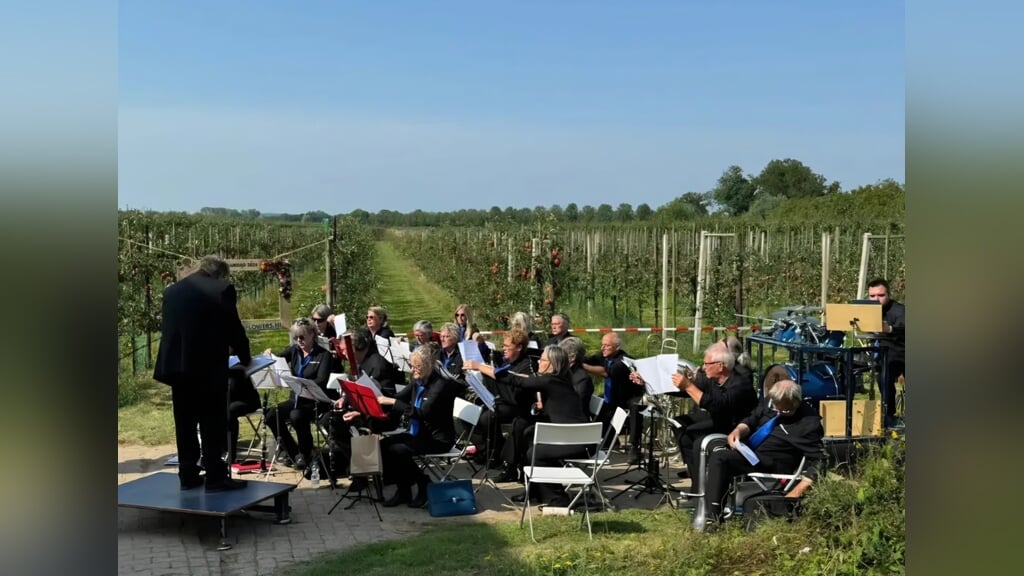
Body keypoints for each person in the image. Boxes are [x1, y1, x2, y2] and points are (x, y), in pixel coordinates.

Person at [153, 255, 251, 491]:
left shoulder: (172, 291)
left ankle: (187, 474)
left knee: (185, 422)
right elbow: (233, 326)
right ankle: (215, 476)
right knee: (211, 421)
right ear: (220, 274)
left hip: (177, 367)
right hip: (207, 367)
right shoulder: (222, 289)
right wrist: (245, 357)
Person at [704, 379, 825, 526]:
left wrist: (799, 490)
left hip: (776, 462)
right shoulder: (771, 402)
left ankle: (713, 520)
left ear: (796, 403)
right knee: (712, 449)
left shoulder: (808, 423)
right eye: (776, 408)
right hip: (752, 453)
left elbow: (820, 459)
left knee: (720, 458)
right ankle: (708, 507)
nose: (779, 412)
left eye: (785, 410)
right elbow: (752, 419)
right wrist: (738, 431)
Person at [657, 340, 757, 494]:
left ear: (720, 366)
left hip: (736, 428)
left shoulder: (740, 383)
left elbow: (716, 404)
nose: (703, 367)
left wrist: (688, 386)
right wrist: (652, 385)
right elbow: (686, 391)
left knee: (697, 441)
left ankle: (702, 488)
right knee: (683, 430)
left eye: (706, 364)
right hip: (720, 420)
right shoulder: (713, 379)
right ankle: (697, 478)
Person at [376, 345, 462, 508]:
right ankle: (404, 490)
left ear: (429, 365)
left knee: (398, 449)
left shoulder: (440, 385)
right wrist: (376, 398)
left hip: (437, 439)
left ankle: (423, 483)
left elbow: (422, 413)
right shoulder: (418, 379)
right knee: (383, 444)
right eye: (412, 366)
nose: (413, 370)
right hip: (419, 434)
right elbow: (399, 397)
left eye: (417, 367)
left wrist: (394, 403)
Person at [496, 345, 589, 494]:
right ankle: (534, 490)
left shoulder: (550, 381)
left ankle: (557, 498)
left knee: (534, 453)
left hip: (578, 442)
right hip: (574, 436)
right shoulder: (559, 380)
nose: (539, 362)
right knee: (529, 435)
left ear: (552, 364)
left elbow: (517, 381)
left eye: (543, 359)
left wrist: (482, 368)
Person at [261, 318, 336, 471]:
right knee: (270, 414)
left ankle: (306, 452)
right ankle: (293, 452)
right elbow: (279, 358)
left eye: (302, 337)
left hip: (314, 401)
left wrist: (301, 382)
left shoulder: (324, 355)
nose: (298, 340)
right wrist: (269, 355)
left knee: (296, 415)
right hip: (295, 399)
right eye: (296, 337)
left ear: (312, 335)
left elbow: (321, 381)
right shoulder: (295, 350)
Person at [463, 327, 537, 467]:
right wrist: (480, 343)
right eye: (503, 345)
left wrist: (478, 366)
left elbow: (502, 375)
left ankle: (495, 455)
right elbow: (491, 355)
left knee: (488, 417)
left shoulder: (526, 365)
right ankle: (488, 449)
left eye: (507, 346)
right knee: (473, 412)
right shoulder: (507, 360)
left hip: (518, 407)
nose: (504, 349)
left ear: (519, 347)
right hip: (502, 402)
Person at [583, 332, 643, 463]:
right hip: (612, 396)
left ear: (616, 347)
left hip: (628, 396)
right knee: (595, 404)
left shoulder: (623, 361)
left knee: (635, 408)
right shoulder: (604, 355)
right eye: (602, 345)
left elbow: (607, 373)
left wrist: (584, 367)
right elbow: (588, 359)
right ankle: (608, 440)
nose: (602, 348)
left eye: (607, 346)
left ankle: (635, 447)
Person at [867, 278, 905, 427]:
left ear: (888, 294)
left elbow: (903, 328)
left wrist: (888, 329)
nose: (876, 299)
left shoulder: (899, 310)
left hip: (901, 351)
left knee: (885, 372)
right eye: (872, 296)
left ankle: (889, 415)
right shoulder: (867, 310)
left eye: (881, 295)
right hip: (878, 350)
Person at [227, 370, 261, 465]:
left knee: (230, 411)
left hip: (246, 399)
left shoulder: (239, 368)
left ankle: (231, 453)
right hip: (230, 399)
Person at [560, 336, 595, 419]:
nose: (558, 358)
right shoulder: (566, 372)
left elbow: (576, 404)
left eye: (561, 355)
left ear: (572, 358)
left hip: (575, 423)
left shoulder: (582, 379)